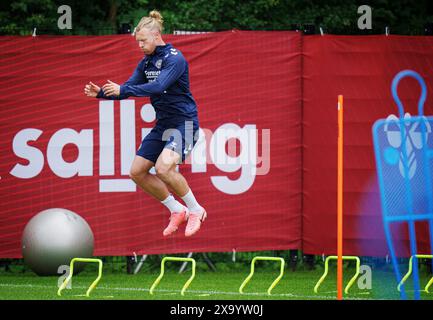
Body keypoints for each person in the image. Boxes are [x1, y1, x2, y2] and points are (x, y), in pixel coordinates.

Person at [84, 10, 206, 237]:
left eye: (143, 40)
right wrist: (102, 93)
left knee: (163, 168)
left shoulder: (174, 58)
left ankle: (196, 210)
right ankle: (176, 210)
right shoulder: (146, 62)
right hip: (163, 125)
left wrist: (124, 88)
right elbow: (126, 89)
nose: (139, 45)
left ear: (157, 35)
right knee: (136, 171)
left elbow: (159, 86)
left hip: (185, 124)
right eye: (137, 41)